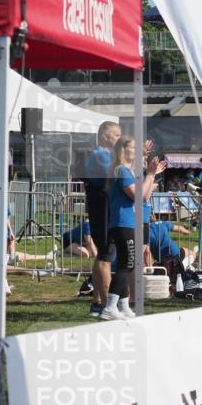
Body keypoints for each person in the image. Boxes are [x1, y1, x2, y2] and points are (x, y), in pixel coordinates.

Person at [101, 136, 166, 321]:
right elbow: (137, 195)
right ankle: (110, 306)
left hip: (128, 222)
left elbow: (144, 197)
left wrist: (151, 172)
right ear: (123, 150)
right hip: (123, 222)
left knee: (127, 263)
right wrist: (151, 174)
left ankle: (123, 305)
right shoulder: (121, 170)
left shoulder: (127, 170)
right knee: (127, 264)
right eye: (133, 148)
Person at [83, 120, 121, 317]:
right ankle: (108, 305)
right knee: (106, 255)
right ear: (105, 136)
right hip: (103, 210)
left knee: (102, 255)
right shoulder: (100, 155)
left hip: (101, 209)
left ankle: (98, 302)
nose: (119, 139)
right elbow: (117, 175)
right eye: (117, 135)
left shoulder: (102, 155)